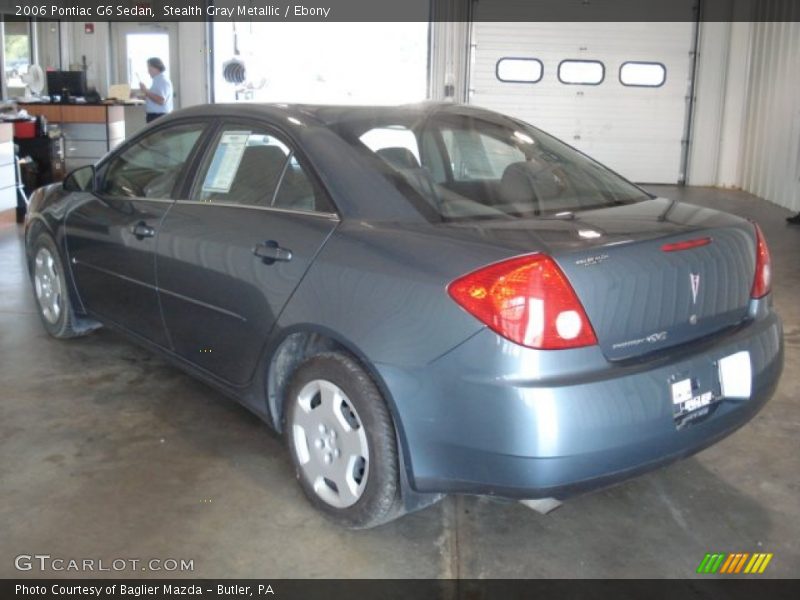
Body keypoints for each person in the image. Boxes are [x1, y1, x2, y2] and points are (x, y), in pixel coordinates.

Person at [139, 57, 173, 123]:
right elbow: (155, 97)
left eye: (149, 68)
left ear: (156, 67)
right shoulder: (157, 80)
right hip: (155, 116)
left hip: (158, 116)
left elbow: (161, 100)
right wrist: (143, 96)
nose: (148, 71)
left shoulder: (162, 80)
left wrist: (146, 91)